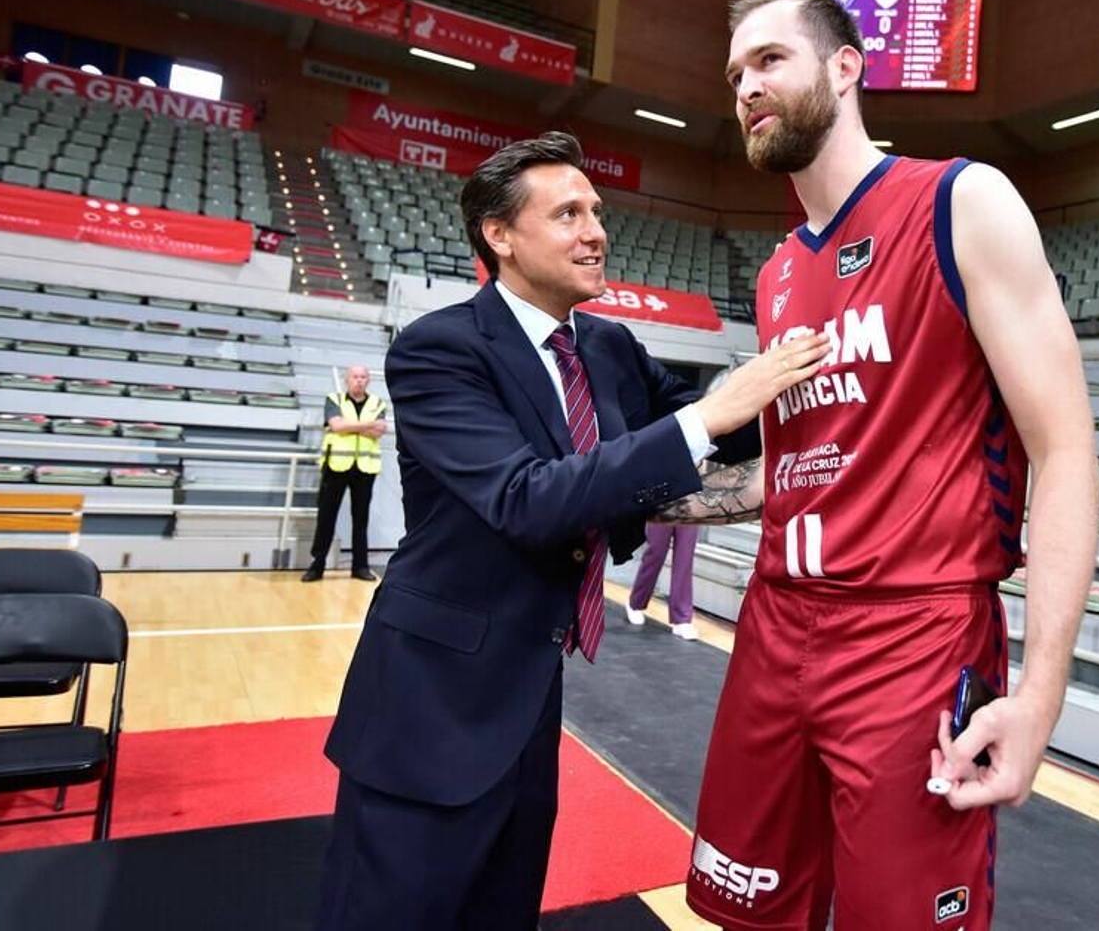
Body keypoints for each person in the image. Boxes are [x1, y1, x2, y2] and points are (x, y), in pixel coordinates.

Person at [660, 0, 1099, 930]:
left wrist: (1040, 699)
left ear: (846, 67)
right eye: (735, 73)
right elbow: (787, 476)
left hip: (915, 630)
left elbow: (1065, 450)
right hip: (776, 623)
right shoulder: (779, 274)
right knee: (744, 911)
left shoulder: (960, 200)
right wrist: (623, 492)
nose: (746, 86)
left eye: (770, 60)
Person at [314, 131, 829, 931]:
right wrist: (713, 408)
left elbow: (729, 441)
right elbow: (527, 497)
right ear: (500, 235)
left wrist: (832, 375)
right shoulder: (438, 349)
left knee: (503, 908)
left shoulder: (610, 346)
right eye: (567, 214)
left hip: (531, 696)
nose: (596, 231)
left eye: (596, 210)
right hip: (432, 702)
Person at [302, 365, 387, 583]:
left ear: (368, 380)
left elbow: (379, 432)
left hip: (365, 468)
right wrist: (367, 424)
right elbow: (337, 426)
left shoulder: (377, 403)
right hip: (336, 466)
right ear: (346, 379)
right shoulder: (334, 399)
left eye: (363, 377)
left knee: (361, 519)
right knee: (326, 517)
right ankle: (317, 565)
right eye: (355, 377)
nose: (359, 380)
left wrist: (350, 425)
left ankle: (360, 567)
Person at [625, 521, 701, 640]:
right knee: (656, 553)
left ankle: (682, 619)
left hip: (690, 506)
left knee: (685, 556)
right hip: (661, 505)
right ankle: (636, 603)